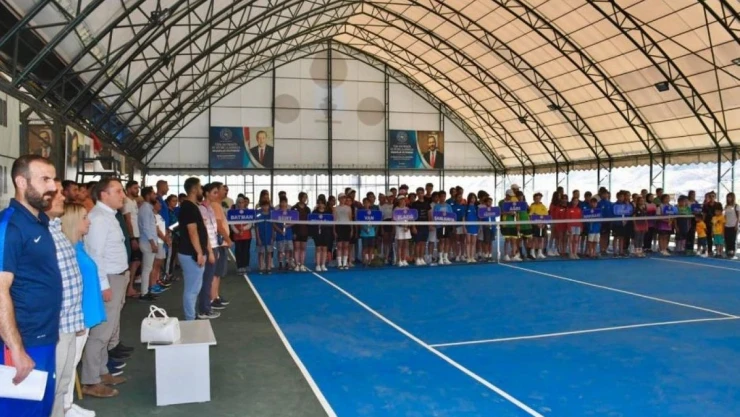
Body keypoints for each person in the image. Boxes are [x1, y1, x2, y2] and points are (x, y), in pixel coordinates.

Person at [0, 155, 62, 416]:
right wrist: (16, 348)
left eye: (53, 179)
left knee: (41, 408)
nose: (53, 187)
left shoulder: (38, 222)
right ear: (21, 182)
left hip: (44, 335)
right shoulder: (10, 226)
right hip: (23, 340)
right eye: (45, 179)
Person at [81, 177, 128, 396]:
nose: (123, 195)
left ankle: (101, 371)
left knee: (108, 330)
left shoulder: (109, 216)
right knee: (101, 332)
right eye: (118, 191)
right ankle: (91, 381)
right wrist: (103, 285)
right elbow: (95, 255)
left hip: (116, 276)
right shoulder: (99, 218)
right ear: (104, 194)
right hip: (108, 278)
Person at [46, 180, 86, 416]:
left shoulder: (56, 230)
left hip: (69, 322)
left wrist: (77, 320)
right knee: (51, 386)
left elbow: (71, 283)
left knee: (63, 382)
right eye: (57, 193)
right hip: (56, 326)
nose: (63, 197)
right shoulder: (41, 234)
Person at [62, 202, 105, 414]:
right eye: (84, 218)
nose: (89, 222)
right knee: (68, 365)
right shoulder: (69, 250)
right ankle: (64, 406)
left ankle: (68, 404)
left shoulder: (78, 246)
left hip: (87, 311)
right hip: (79, 314)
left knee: (73, 361)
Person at [177, 178, 211, 321]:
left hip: (191, 253)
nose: (202, 190)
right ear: (194, 189)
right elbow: (192, 231)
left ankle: (191, 315)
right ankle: (190, 318)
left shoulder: (191, 206)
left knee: (194, 288)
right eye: (200, 187)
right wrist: (199, 253)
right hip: (191, 254)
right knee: (192, 289)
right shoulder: (189, 207)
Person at [198, 183, 221, 319]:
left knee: (209, 278)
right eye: (214, 192)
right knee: (206, 279)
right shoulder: (201, 209)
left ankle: (206, 306)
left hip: (214, 245)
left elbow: (213, 229)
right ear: (206, 193)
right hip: (209, 248)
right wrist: (210, 251)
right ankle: (204, 310)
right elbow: (204, 232)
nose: (217, 195)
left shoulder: (210, 208)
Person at [138, 186, 165, 300]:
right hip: (148, 242)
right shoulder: (145, 208)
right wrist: (152, 243)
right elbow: (146, 228)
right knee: (147, 269)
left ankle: (146, 291)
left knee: (148, 268)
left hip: (149, 241)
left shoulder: (148, 208)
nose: (155, 195)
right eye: (153, 194)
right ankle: (144, 293)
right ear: (148, 195)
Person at [122, 181, 141, 298]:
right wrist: (132, 237)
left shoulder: (133, 201)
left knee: (137, 262)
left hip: (137, 234)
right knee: (133, 262)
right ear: (128, 189)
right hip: (132, 236)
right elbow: (128, 221)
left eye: (137, 188)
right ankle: (129, 288)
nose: (137, 190)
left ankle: (130, 286)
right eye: (134, 188)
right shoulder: (127, 202)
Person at [231, 196, 253, 273]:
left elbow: (250, 223)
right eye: (239, 203)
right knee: (238, 251)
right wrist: (237, 232)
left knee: (246, 251)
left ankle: (246, 265)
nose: (241, 204)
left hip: (247, 235)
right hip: (237, 236)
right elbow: (231, 224)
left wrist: (243, 229)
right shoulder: (233, 212)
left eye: (242, 202)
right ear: (237, 203)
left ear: (244, 203)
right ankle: (239, 266)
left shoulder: (248, 212)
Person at [292, 192, 311, 272]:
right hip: (296, 231)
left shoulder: (308, 209)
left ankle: (302, 264)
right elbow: (292, 221)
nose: (305, 199)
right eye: (303, 197)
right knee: (296, 248)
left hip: (305, 231)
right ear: (299, 198)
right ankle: (297, 264)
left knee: (303, 249)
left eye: (306, 197)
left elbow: (309, 221)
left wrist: (309, 233)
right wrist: (293, 232)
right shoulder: (294, 208)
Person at [334, 194, 353, 270]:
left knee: (346, 246)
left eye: (344, 198)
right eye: (341, 198)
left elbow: (350, 219)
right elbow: (334, 220)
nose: (343, 199)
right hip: (339, 227)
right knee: (339, 246)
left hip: (346, 227)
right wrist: (334, 230)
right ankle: (339, 263)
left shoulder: (349, 208)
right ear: (339, 199)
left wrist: (351, 229)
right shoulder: (335, 208)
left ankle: (345, 263)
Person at [275, 197, 295, 271]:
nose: (283, 204)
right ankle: (280, 263)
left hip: (288, 234)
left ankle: (287, 263)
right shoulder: (276, 212)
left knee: (288, 250)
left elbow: (294, 221)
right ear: (280, 203)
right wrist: (279, 230)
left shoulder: (290, 212)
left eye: (285, 202)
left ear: (287, 203)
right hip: (280, 235)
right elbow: (273, 223)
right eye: (282, 202)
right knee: (280, 250)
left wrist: (288, 225)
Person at [311, 198, 331, 271]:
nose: (320, 204)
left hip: (326, 232)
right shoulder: (314, 212)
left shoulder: (328, 213)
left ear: (324, 205)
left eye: (322, 203)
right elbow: (311, 222)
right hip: (317, 233)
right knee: (318, 248)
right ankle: (318, 265)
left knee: (324, 248)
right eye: (319, 203)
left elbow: (331, 222)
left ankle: (323, 264)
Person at [255, 200, 275, 274]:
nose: (265, 207)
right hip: (261, 236)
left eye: (267, 205)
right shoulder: (258, 215)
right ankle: (261, 267)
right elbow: (256, 227)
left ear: (269, 206)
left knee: (269, 252)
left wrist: (272, 237)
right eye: (263, 206)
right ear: (261, 206)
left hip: (269, 237)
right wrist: (258, 238)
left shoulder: (271, 215)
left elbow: (273, 227)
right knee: (261, 253)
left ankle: (268, 267)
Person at [394, 195, 412, 267]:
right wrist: (402, 225)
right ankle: (399, 260)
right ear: (398, 201)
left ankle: (404, 259)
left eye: (404, 200)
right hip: (399, 228)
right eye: (401, 200)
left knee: (406, 245)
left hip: (406, 228)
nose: (402, 201)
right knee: (400, 245)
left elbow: (410, 218)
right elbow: (394, 219)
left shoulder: (407, 209)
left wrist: (407, 226)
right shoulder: (396, 209)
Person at [359, 198, 376, 266]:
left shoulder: (373, 212)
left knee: (371, 247)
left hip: (372, 232)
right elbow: (359, 222)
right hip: (364, 233)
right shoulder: (361, 212)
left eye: (367, 202)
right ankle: (364, 260)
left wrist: (373, 226)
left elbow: (376, 221)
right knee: (364, 247)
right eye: (365, 202)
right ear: (363, 204)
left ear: (370, 204)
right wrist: (364, 229)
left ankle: (370, 260)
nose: (366, 204)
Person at [724, 193, 739, 258]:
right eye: (728, 197)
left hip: (733, 225)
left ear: (733, 198)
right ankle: (728, 252)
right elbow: (724, 216)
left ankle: (733, 253)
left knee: (733, 240)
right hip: (726, 225)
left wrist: (736, 225)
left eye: (730, 197)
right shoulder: (726, 206)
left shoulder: (736, 206)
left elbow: (738, 216)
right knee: (727, 239)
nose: (729, 198)